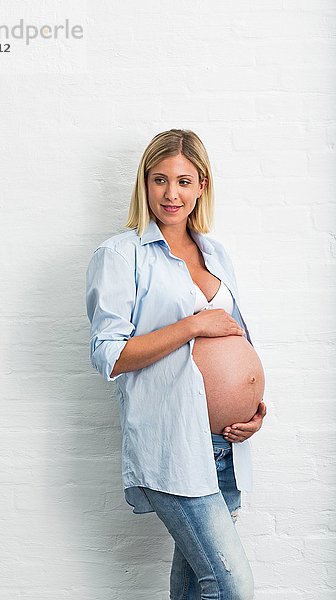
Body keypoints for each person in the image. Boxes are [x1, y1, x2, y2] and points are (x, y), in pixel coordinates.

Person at [85, 128, 267, 599]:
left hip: (225, 445)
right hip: (172, 442)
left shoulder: (215, 253)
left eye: (184, 181)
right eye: (160, 179)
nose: (171, 193)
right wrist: (189, 327)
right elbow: (110, 355)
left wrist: (252, 407)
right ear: (144, 184)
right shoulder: (121, 255)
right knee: (231, 587)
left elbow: (235, 334)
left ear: (201, 186)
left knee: (195, 580)